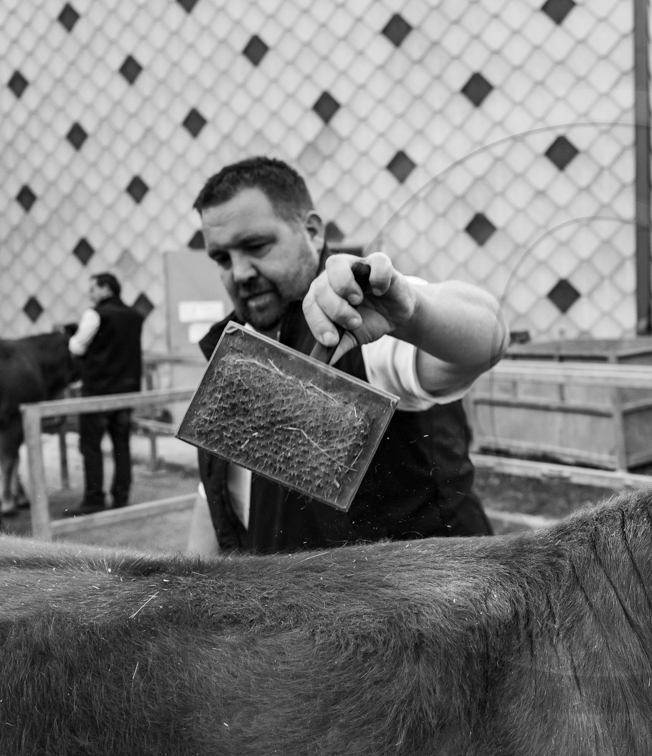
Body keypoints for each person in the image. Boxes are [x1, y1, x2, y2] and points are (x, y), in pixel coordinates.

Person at [187, 156, 507, 554]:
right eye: (221, 258)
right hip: (296, 595)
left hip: (432, 591)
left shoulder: (364, 316)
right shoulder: (234, 348)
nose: (239, 272)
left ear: (312, 231)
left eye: (256, 246)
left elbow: (489, 337)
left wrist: (413, 313)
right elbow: (219, 494)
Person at [67, 272, 144, 515]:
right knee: (122, 444)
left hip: (98, 391)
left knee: (90, 445)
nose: (90, 294)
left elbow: (77, 347)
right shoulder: (135, 316)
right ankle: (121, 496)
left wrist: (72, 335)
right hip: (126, 391)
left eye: (93, 289)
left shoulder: (95, 314)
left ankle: (94, 498)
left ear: (106, 289)